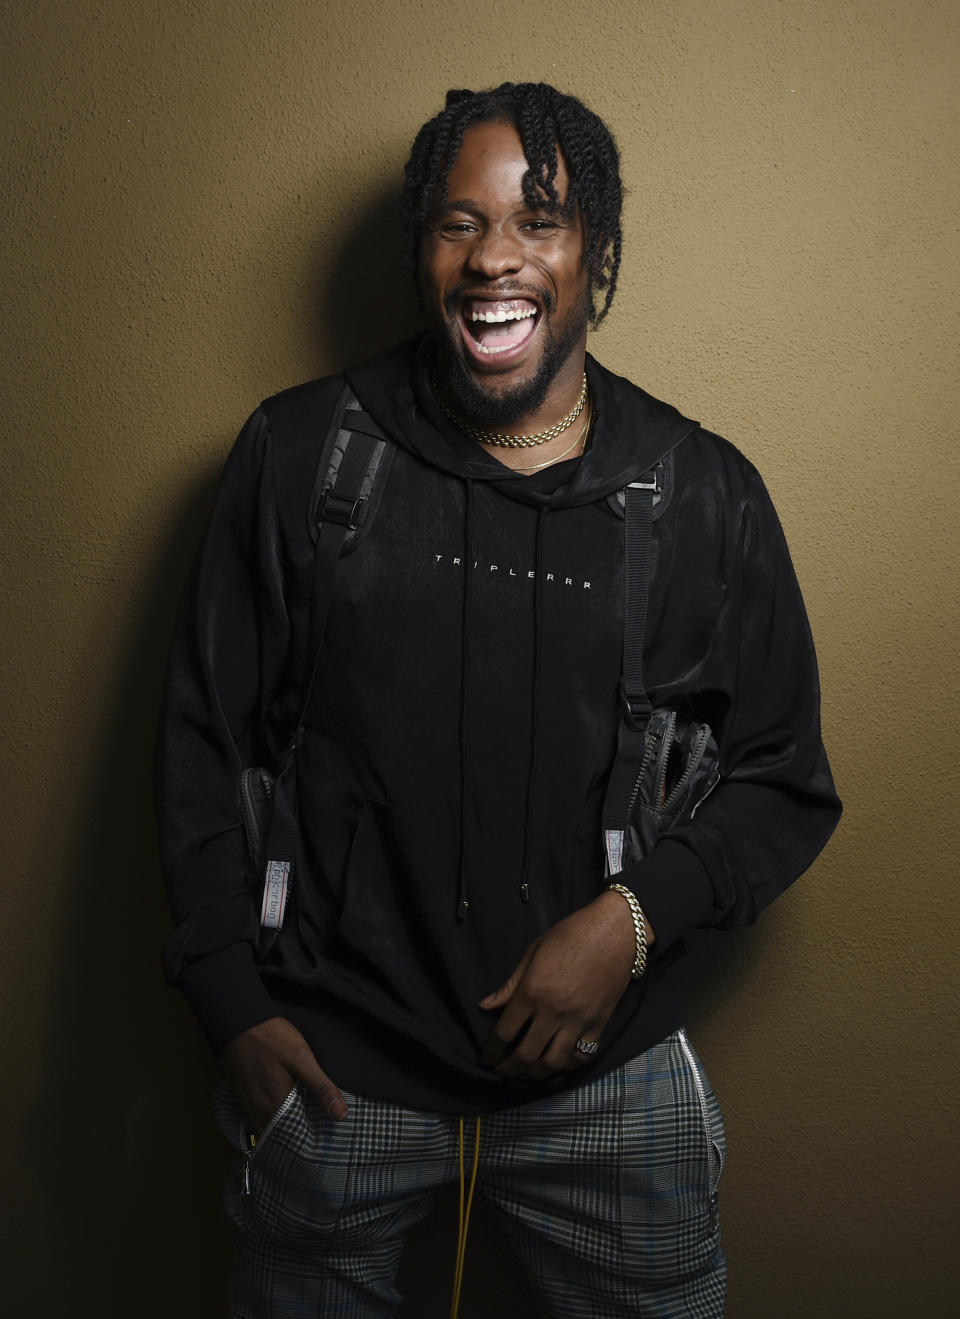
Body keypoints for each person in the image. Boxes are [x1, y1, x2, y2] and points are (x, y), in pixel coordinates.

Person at [156, 82, 841, 1319]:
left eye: (541, 221)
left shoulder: (702, 492)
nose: (496, 260)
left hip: (608, 1094)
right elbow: (204, 739)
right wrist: (227, 1000)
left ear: (600, 258)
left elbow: (784, 776)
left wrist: (631, 921)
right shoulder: (301, 455)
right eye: (457, 222)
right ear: (423, 252)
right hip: (332, 1082)